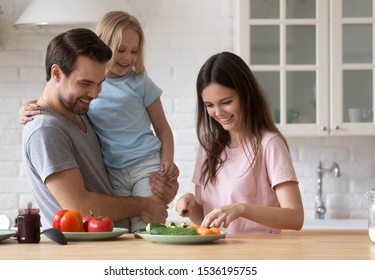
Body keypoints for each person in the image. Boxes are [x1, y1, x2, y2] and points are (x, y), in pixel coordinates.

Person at [21, 28, 178, 230]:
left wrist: (161, 188)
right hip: (84, 255)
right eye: (85, 83)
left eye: (100, 84)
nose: (95, 94)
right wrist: (144, 205)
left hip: (112, 243)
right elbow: (80, 206)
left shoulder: (80, 112)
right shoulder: (45, 130)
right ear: (57, 73)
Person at [175, 52, 304, 234]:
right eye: (209, 105)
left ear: (246, 95)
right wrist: (190, 205)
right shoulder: (208, 145)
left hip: (259, 255)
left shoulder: (269, 144)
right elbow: (206, 220)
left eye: (226, 102)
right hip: (216, 255)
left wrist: (242, 209)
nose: (218, 112)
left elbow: (295, 217)